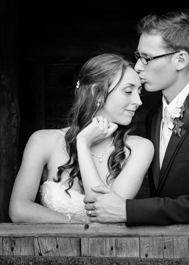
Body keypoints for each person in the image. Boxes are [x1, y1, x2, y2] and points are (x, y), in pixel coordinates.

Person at [83, 10, 189, 225]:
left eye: (147, 58)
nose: (138, 67)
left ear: (180, 60)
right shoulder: (154, 115)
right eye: (138, 57)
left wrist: (129, 211)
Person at [9, 54, 154, 223]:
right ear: (96, 93)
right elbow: (18, 210)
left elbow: (104, 213)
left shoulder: (140, 148)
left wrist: (83, 145)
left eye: (139, 92)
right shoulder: (43, 141)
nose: (138, 101)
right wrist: (76, 227)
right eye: (128, 91)